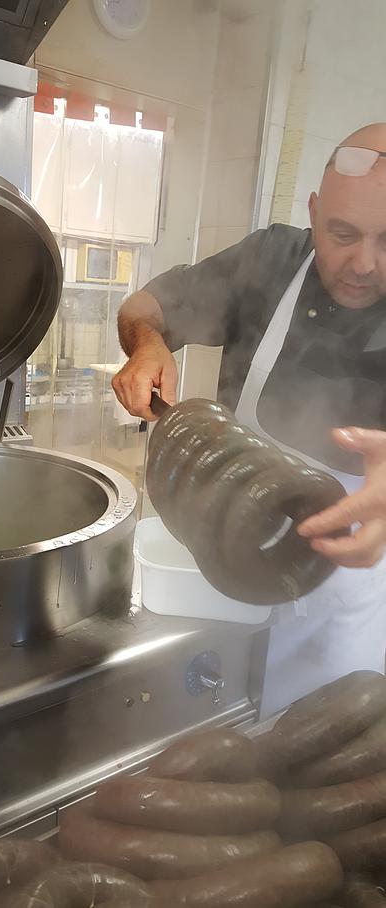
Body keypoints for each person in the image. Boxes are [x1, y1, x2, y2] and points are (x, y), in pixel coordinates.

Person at [112, 123, 386, 714]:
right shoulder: (270, 260)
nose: (364, 263)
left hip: (344, 620)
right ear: (313, 213)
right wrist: (148, 346)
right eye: (343, 233)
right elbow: (142, 307)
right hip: (230, 573)